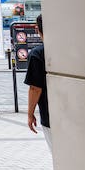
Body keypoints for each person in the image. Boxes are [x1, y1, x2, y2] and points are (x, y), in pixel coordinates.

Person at [25, 15, 51, 149]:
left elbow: (35, 88)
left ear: (37, 29)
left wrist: (30, 114)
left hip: (50, 114)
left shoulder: (37, 54)